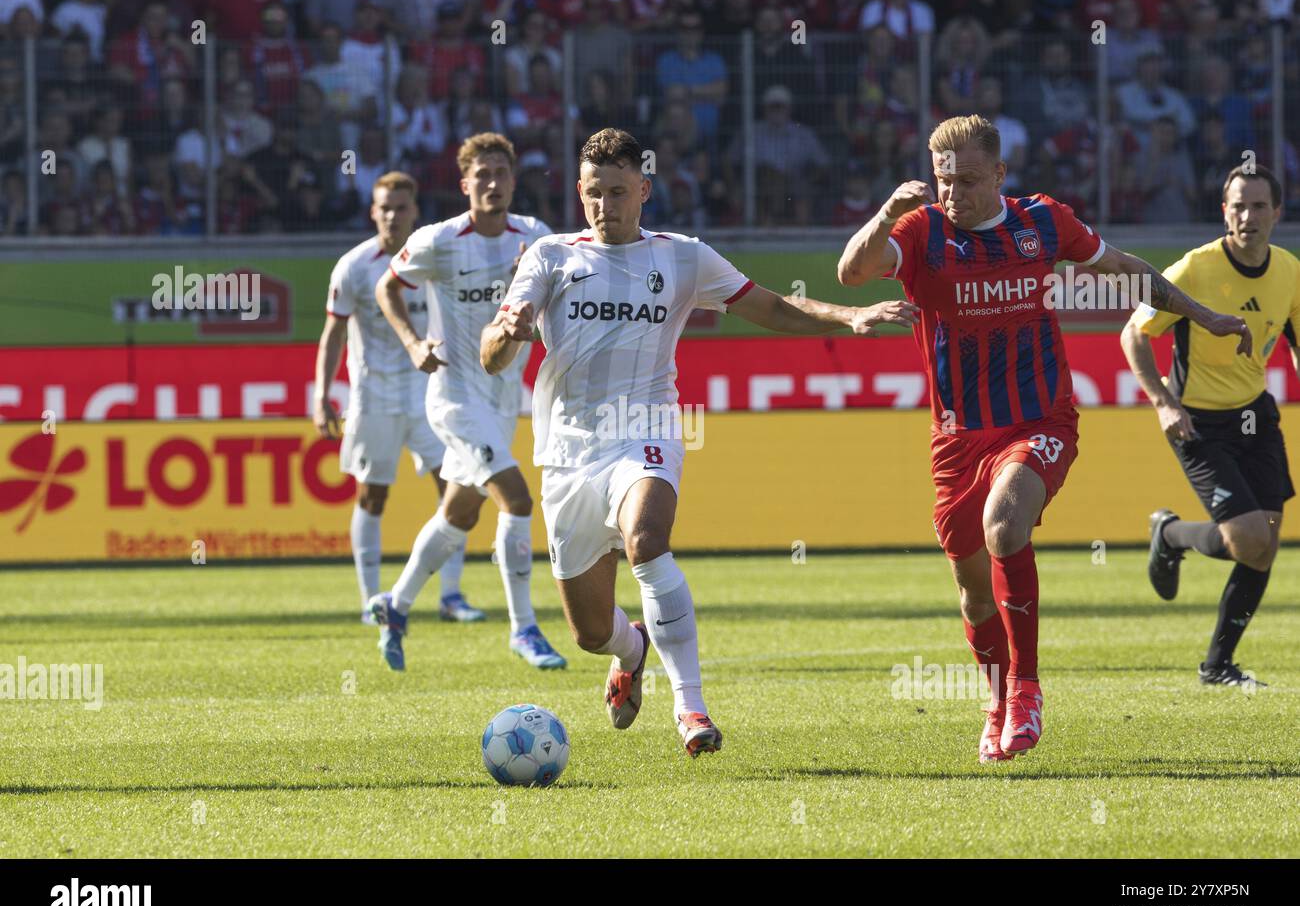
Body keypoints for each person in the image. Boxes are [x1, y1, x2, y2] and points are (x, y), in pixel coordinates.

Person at [481, 127, 919, 756]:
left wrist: (848, 316)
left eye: (619, 192)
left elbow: (767, 307)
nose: (606, 205)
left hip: (649, 429)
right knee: (587, 631)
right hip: (570, 451)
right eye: (594, 193)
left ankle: (691, 708)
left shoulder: (683, 257)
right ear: (580, 193)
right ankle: (630, 650)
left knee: (648, 539)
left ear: (644, 191)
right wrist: (509, 333)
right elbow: (491, 356)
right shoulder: (549, 257)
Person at [836, 114, 1251, 762]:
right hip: (957, 440)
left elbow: (1122, 268)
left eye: (969, 180)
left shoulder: (1041, 223)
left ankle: (1026, 688)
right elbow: (852, 274)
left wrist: (1202, 315)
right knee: (974, 596)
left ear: (1000, 175)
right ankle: (997, 697)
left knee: (1006, 525)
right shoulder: (922, 232)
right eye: (945, 180)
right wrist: (888, 210)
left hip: (1040, 421)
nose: (954, 194)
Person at [370, 134, 565, 672]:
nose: (493, 183)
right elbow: (389, 287)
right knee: (518, 501)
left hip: (504, 401)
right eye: (482, 174)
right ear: (465, 184)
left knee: (458, 513)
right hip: (454, 397)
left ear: (513, 181)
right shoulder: (439, 240)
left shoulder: (536, 238)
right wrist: (413, 344)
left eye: (501, 173)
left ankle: (396, 603)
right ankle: (524, 628)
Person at [1124, 164, 1299, 688]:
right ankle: (1169, 533)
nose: (1248, 216)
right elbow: (1133, 334)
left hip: (1255, 414)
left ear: (1277, 213)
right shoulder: (1194, 269)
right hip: (1197, 421)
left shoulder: (1289, 270)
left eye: (1259, 206)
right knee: (1249, 540)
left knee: (1264, 540)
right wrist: (1162, 403)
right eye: (1238, 206)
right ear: (1224, 212)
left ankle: (1218, 666)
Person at [314, 171, 485, 640]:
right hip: (374, 396)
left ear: (414, 211)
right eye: (384, 207)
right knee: (372, 495)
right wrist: (321, 394)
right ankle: (372, 600)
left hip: (432, 392)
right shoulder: (354, 266)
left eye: (401, 207)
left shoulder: (435, 261)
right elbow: (332, 334)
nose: (392, 215)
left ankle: (450, 596)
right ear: (373, 212)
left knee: (454, 488)